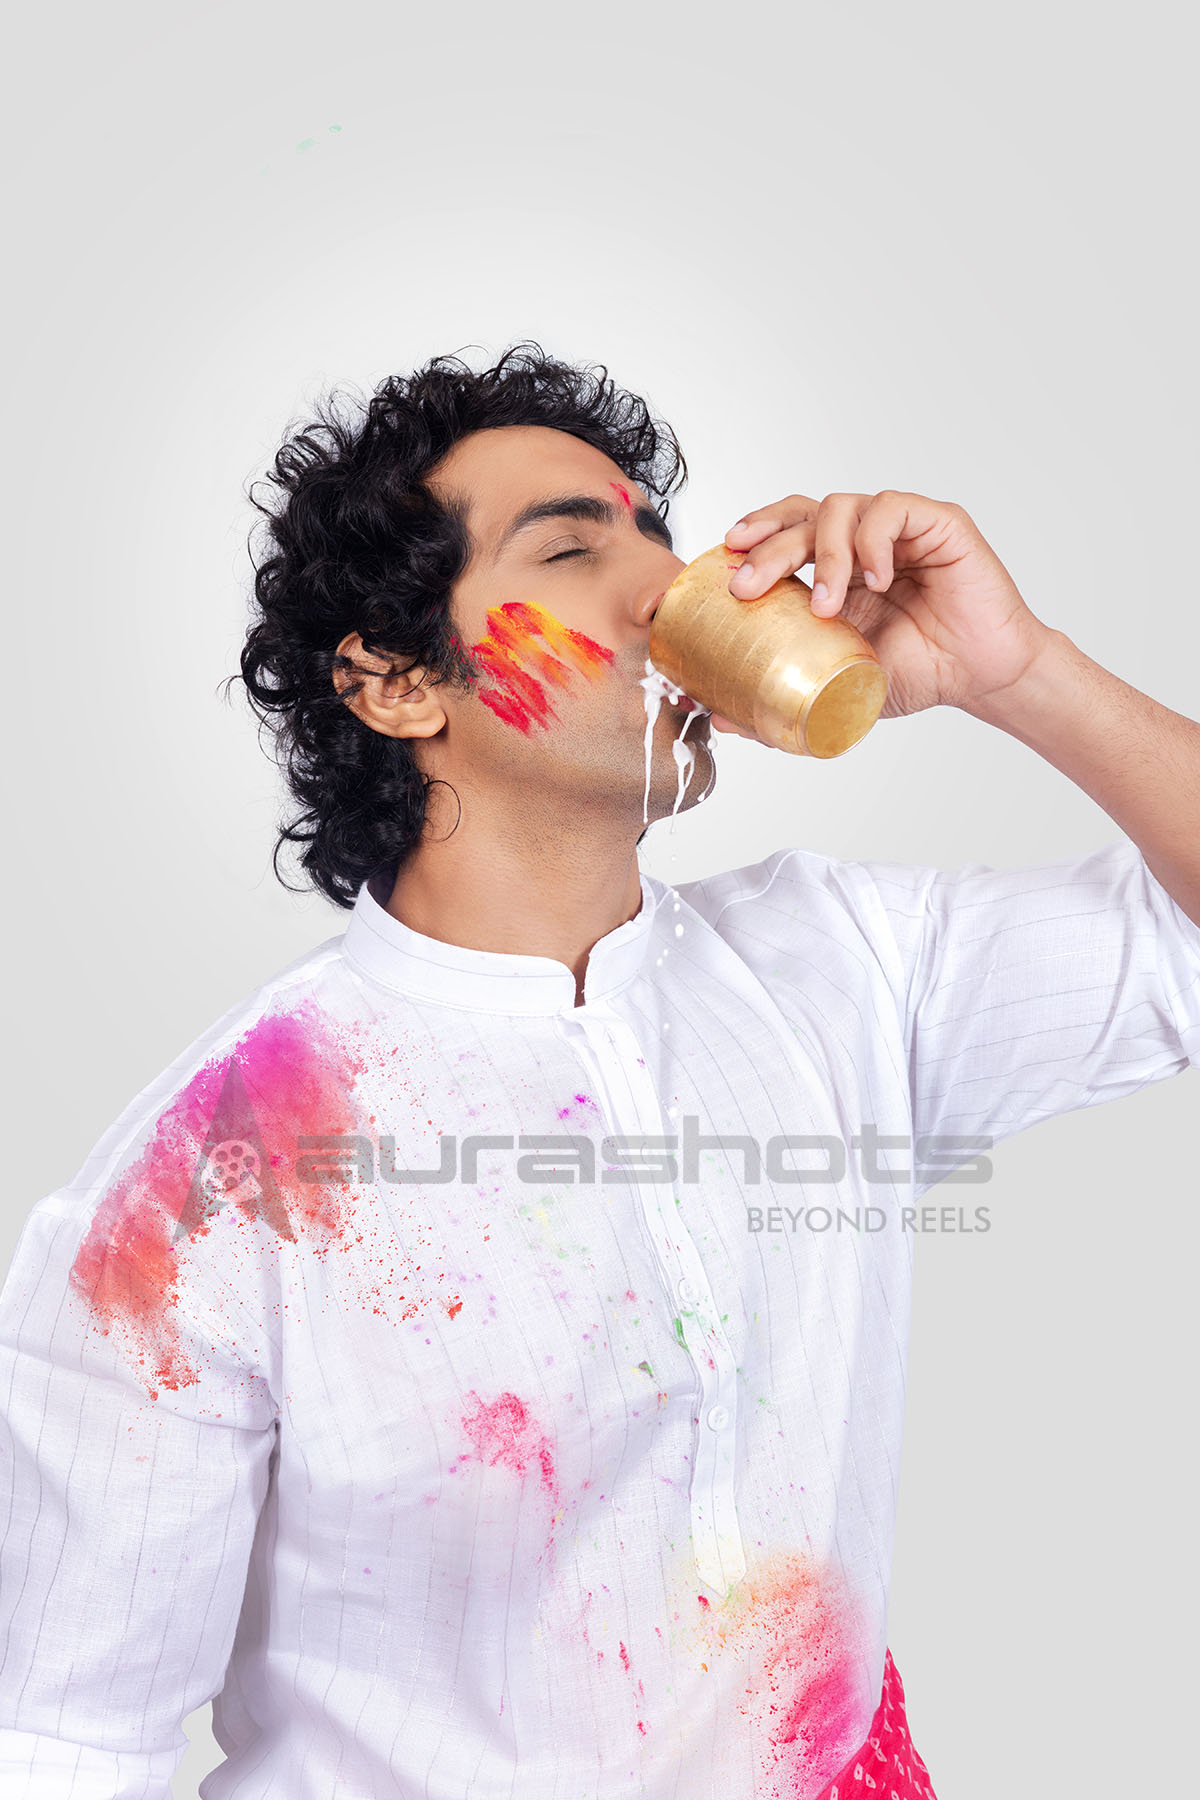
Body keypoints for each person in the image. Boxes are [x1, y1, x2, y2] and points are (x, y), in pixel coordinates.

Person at [2, 340, 1197, 1800]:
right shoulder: (206, 1185)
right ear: (391, 684)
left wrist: (1022, 674)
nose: (667, 593)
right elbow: (66, 1740)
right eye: (572, 549)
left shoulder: (843, 970)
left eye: (658, 540)